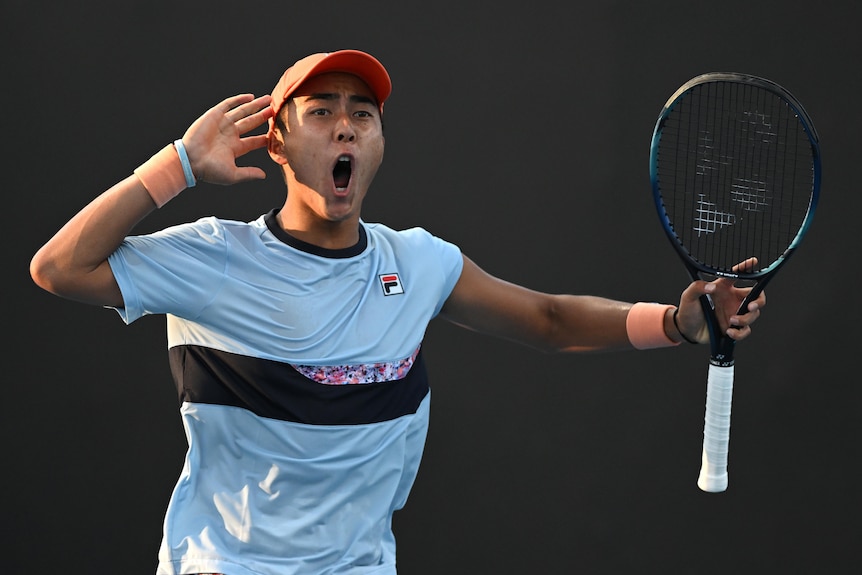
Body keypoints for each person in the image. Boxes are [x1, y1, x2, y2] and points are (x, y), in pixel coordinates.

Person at [29, 49, 764, 575]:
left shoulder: (417, 263)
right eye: (321, 112)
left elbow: (547, 320)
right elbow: (59, 268)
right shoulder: (215, 258)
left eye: (363, 114)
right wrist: (179, 166)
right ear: (277, 141)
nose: (346, 127)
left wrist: (676, 323)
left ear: (380, 141)